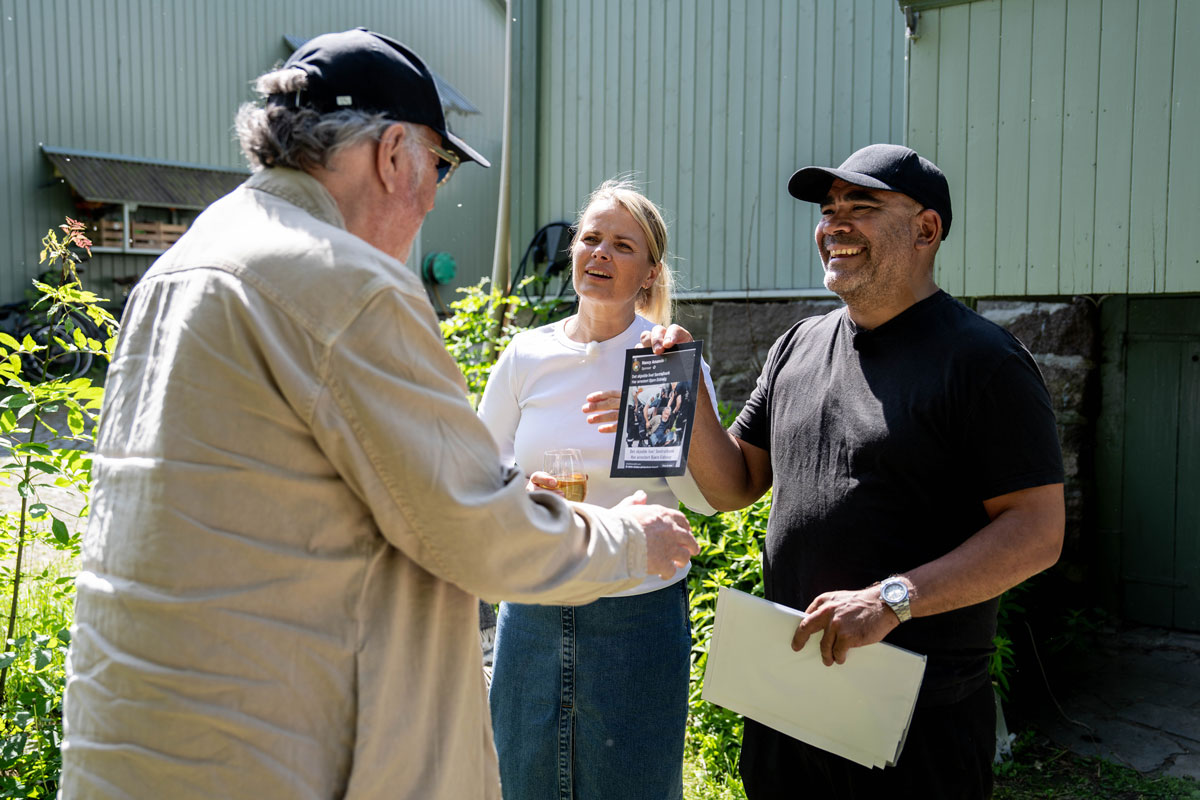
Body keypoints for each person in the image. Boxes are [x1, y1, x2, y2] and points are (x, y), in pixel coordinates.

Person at [59, 30, 698, 800]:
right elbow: (473, 526)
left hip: (144, 739)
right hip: (284, 751)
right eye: (439, 165)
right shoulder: (345, 283)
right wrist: (632, 538)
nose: (434, 196)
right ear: (394, 152)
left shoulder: (183, 262)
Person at [639, 144, 1065, 798]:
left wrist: (891, 599)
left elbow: (1037, 533)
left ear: (926, 229)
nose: (833, 224)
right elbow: (734, 485)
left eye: (860, 207)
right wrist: (687, 388)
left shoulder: (984, 364)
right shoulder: (796, 346)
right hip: (791, 689)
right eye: (827, 209)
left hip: (916, 712)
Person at [478, 178, 716, 800]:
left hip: (637, 610)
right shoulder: (526, 354)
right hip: (532, 607)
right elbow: (478, 470)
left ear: (650, 271)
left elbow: (702, 498)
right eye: (590, 239)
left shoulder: (668, 359)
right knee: (523, 784)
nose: (601, 253)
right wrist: (521, 490)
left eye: (621, 244)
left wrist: (663, 418)